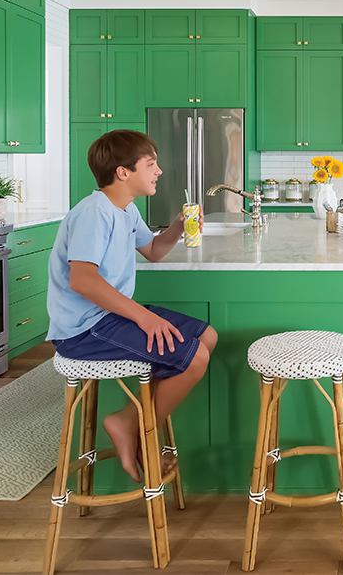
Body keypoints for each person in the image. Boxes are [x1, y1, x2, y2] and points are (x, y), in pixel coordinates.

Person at [47, 129, 217, 482]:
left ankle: (131, 419)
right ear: (123, 172)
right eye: (150, 164)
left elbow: (152, 251)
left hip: (107, 317)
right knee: (195, 357)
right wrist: (144, 317)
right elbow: (82, 280)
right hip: (83, 329)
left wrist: (177, 228)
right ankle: (133, 427)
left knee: (208, 337)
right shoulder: (95, 214)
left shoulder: (124, 209)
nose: (158, 171)